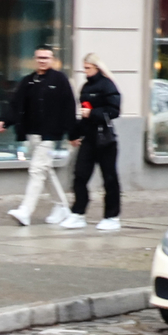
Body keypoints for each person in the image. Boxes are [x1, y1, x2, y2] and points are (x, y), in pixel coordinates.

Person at [0, 45, 76, 227]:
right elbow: (16, 104)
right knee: (45, 170)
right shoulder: (28, 81)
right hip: (33, 134)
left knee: (36, 170)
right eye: (39, 58)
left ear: (52, 59)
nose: (42, 61)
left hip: (50, 136)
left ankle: (26, 211)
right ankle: (62, 206)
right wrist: (4, 121)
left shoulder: (60, 79)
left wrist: (73, 133)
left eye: (46, 58)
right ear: (35, 59)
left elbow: (69, 106)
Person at [67, 55, 123, 231]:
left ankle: (112, 217)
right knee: (80, 176)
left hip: (105, 140)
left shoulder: (107, 85)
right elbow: (83, 114)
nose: (85, 71)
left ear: (97, 68)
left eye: (88, 68)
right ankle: (78, 213)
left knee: (109, 178)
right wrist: (74, 134)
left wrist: (92, 114)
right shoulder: (85, 87)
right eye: (84, 68)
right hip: (89, 138)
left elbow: (114, 111)